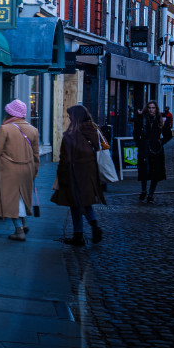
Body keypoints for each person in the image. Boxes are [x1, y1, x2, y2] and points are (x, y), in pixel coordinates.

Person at [0, 99, 40, 242]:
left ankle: (19, 230)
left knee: (10, 201)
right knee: (21, 198)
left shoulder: (5, 129)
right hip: (27, 170)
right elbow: (36, 155)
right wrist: (34, 171)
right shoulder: (33, 130)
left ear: (9, 113)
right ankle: (24, 224)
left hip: (8, 171)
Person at [52, 104, 107, 246]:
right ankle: (93, 228)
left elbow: (65, 158)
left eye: (70, 116)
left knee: (74, 203)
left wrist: (61, 175)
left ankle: (79, 235)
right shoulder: (94, 129)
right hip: (90, 173)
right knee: (85, 202)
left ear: (75, 117)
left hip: (74, 174)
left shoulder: (71, 135)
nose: (69, 118)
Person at [134, 101, 171, 203]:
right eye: (149, 108)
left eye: (153, 108)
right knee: (144, 171)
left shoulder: (160, 119)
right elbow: (136, 132)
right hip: (144, 147)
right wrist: (139, 143)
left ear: (156, 109)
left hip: (156, 149)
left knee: (155, 172)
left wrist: (161, 141)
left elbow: (168, 134)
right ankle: (144, 190)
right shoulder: (143, 118)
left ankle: (151, 194)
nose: (151, 110)